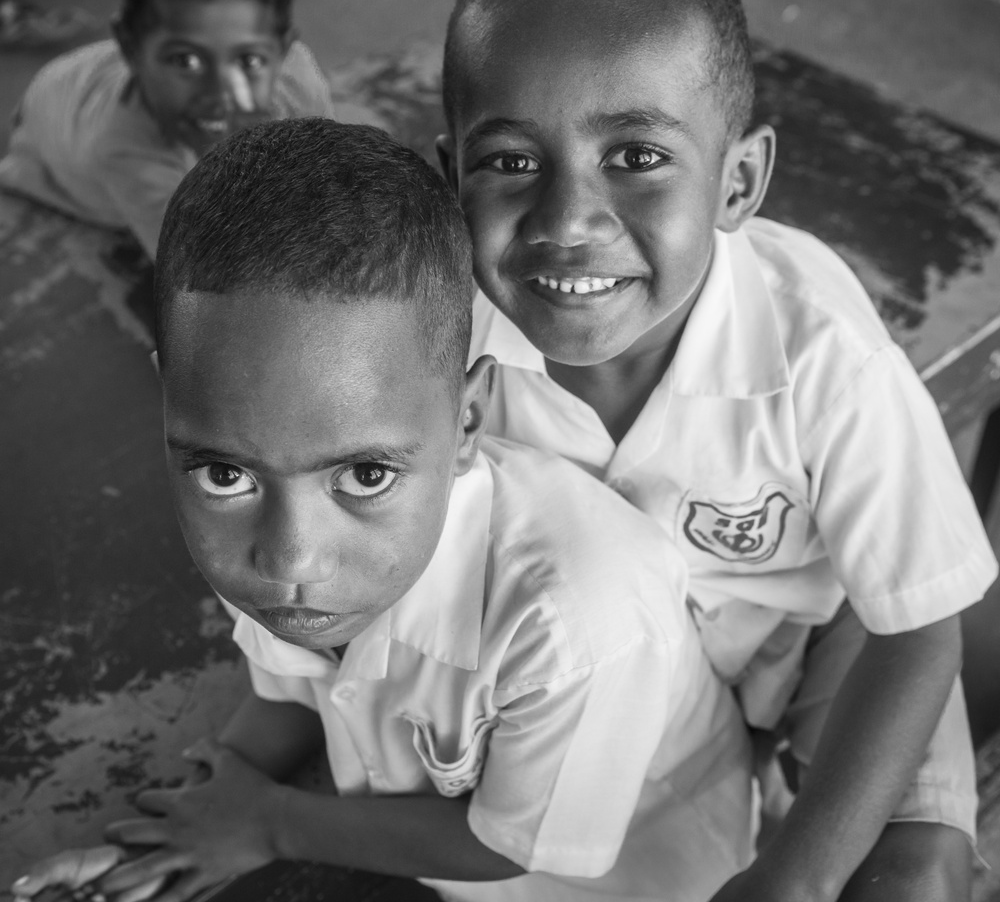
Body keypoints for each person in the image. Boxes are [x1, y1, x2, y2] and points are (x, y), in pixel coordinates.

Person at [10, 119, 754, 902]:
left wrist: (266, 822)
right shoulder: (265, 523)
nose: (291, 562)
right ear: (173, 402)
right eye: (227, 474)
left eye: (365, 475)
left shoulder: (579, 622)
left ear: (468, 421)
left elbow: (511, 844)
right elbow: (294, 683)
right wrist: (212, 794)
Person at [434, 0, 999, 902]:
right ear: (453, 174)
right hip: (613, 678)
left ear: (737, 180)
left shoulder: (820, 347)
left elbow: (916, 629)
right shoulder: (434, 341)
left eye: (636, 158)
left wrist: (797, 873)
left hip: (829, 636)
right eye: (511, 161)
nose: (568, 221)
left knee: (914, 879)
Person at [0, 0, 333, 257]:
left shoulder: (300, 79)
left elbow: (324, 179)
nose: (220, 93)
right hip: (49, 133)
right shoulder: (126, 152)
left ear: (283, 49)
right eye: (186, 61)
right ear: (128, 46)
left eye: (249, 60)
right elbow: (197, 270)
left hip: (73, 78)